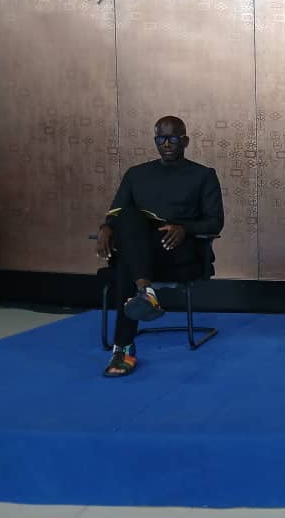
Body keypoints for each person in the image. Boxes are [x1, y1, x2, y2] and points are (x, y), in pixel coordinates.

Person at [96, 116, 223, 377]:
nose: (166, 144)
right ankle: (145, 291)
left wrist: (184, 228)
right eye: (160, 138)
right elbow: (116, 213)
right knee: (128, 217)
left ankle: (124, 347)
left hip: (177, 250)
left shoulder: (203, 175)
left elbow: (215, 222)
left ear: (185, 141)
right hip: (140, 252)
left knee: (126, 261)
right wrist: (106, 227)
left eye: (172, 138)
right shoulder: (136, 174)